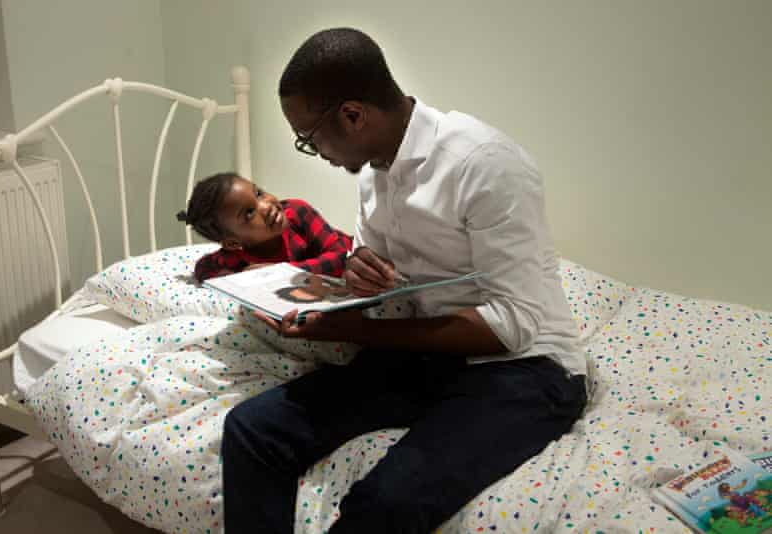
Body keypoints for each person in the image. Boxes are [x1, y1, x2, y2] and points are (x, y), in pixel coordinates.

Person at [220, 28, 589, 533]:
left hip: (528, 368)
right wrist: (357, 273)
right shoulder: (376, 171)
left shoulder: (484, 166)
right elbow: (381, 277)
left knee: (385, 503)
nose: (314, 150)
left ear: (353, 115)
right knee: (251, 428)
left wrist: (348, 330)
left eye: (309, 138)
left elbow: (514, 325)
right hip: (432, 358)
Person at [177, 172, 352, 282]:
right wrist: (236, 279)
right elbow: (203, 267)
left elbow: (342, 257)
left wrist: (281, 273)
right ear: (232, 243)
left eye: (259, 193)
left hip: (361, 253)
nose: (266, 206)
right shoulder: (237, 256)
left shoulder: (297, 212)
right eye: (249, 213)